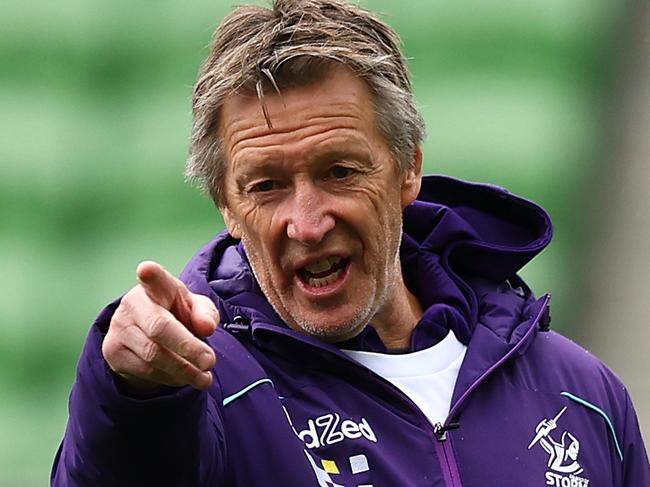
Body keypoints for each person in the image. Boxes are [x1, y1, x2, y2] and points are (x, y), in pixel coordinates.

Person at [51, 1, 649, 485]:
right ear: (227, 207)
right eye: (266, 186)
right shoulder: (203, 392)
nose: (307, 223)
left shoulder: (582, 395)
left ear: (408, 168)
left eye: (340, 171)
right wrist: (131, 397)